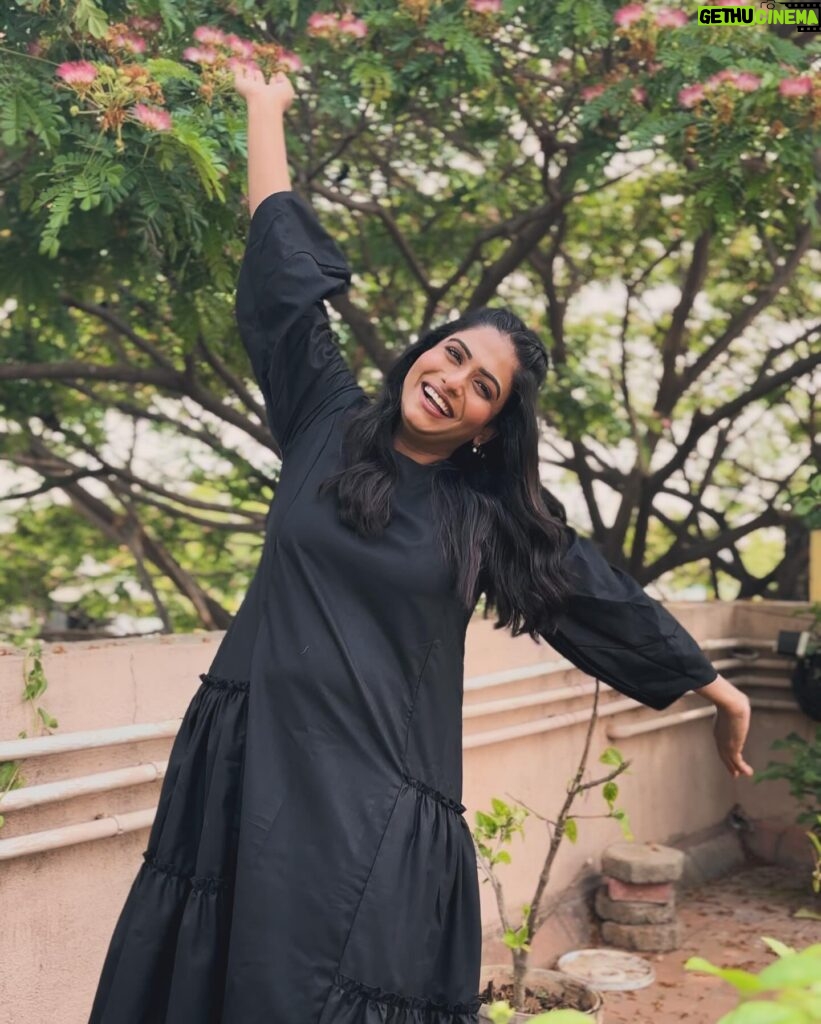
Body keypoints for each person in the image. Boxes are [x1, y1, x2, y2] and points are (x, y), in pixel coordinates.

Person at [88, 68, 753, 1024]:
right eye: (452, 354)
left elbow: (595, 592)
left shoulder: (484, 519)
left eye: (483, 387)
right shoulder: (324, 419)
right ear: (422, 351)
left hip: (370, 797)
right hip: (252, 753)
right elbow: (281, 275)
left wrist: (714, 684)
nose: (453, 381)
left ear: (489, 426)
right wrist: (262, 110)